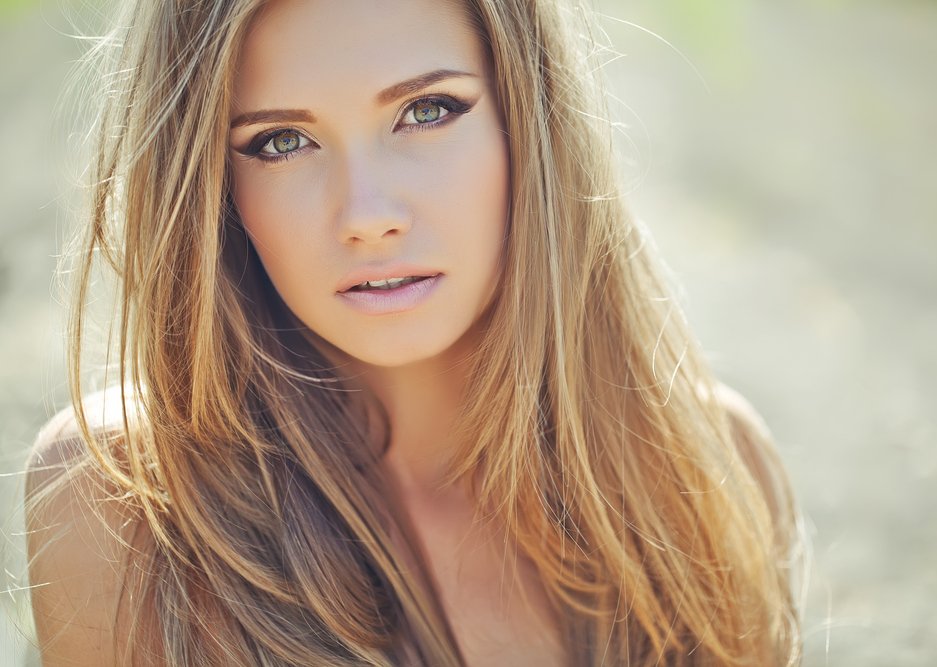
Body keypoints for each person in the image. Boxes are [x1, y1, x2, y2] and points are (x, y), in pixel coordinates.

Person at [24, 0, 803, 665]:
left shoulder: (709, 473)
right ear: (211, 189)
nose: (366, 215)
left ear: (528, 120)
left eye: (427, 111)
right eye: (281, 142)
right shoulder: (123, 503)